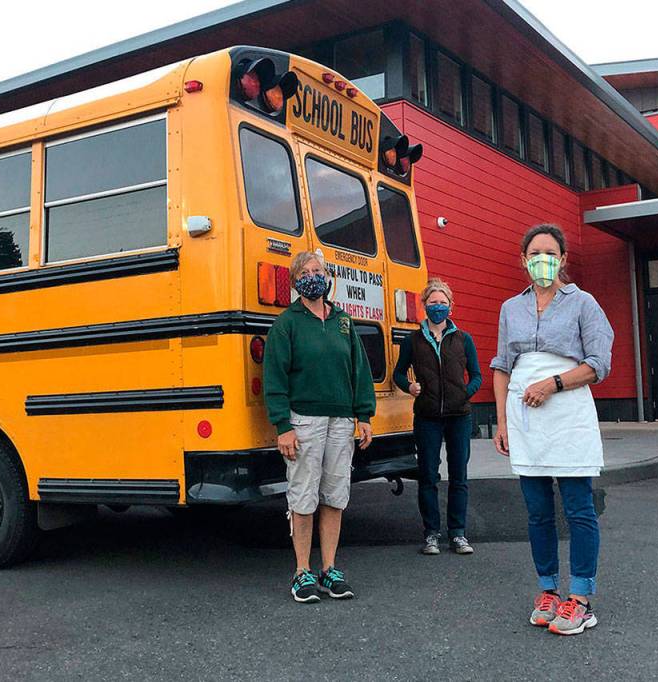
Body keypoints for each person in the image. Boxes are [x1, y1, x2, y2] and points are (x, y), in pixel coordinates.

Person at [490, 223, 614, 636]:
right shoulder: (512, 308)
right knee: (538, 513)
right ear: (522, 260)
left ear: (562, 259)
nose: (541, 260)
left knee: (578, 509)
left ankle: (580, 597)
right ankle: (548, 591)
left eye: (549, 253)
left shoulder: (584, 304)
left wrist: (554, 384)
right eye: (534, 253)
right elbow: (502, 367)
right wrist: (502, 422)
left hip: (567, 415)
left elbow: (598, 363)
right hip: (525, 420)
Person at [262, 250, 375, 604]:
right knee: (304, 496)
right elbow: (275, 377)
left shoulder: (343, 321)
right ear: (296, 281)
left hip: (341, 420)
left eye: (319, 271)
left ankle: (330, 568)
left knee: (335, 495)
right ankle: (301, 571)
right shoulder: (287, 324)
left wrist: (364, 414)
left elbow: (359, 369)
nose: (314, 276)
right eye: (307, 271)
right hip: (304, 422)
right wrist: (283, 425)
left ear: (328, 278)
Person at [392, 278, 482, 555]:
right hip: (427, 416)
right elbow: (398, 373)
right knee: (428, 476)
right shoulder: (413, 340)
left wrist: (464, 393)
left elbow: (478, 376)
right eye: (433, 303)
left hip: (459, 416)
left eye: (443, 303)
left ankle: (457, 534)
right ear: (425, 306)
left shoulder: (463, 339)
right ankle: (431, 533)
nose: (438, 307)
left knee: (459, 476)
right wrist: (410, 386)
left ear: (451, 306)